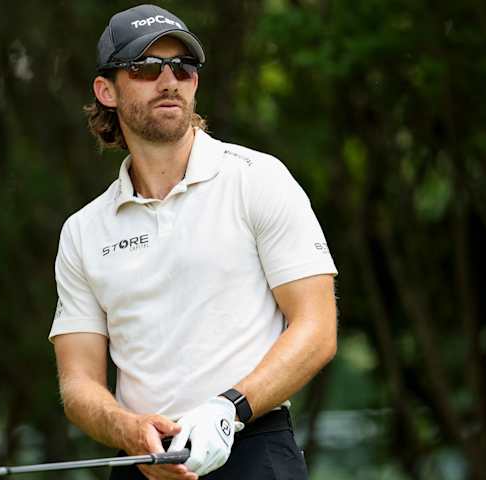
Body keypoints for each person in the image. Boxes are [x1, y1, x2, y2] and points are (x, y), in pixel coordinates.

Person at [49, 4, 338, 479]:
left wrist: (228, 410)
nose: (169, 81)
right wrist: (127, 428)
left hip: (252, 447)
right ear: (106, 91)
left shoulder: (258, 179)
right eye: (144, 68)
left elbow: (316, 328)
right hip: (143, 460)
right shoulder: (83, 230)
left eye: (182, 67)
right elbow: (78, 383)